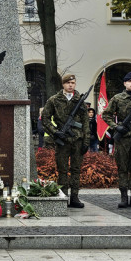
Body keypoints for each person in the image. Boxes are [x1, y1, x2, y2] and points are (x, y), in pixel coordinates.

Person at [101, 72, 131, 208]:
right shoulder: (117, 98)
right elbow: (105, 115)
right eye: (129, 81)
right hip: (123, 138)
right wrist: (116, 127)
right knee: (122, 168)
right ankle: (124, 197)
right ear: (124, 83)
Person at [42, 74, 89, 208]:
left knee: (76, 170)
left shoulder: (79, 100)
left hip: (78, 140)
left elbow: (86, 123)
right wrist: (55, 131)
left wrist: (86, 142)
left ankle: (74, 197)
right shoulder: (54, 100)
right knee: (62, 170)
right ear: (63, 84)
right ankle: (63, 196)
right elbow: (45, 118)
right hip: (62, 140)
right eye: (68, 83)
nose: (70, 85)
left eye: (73, 83)